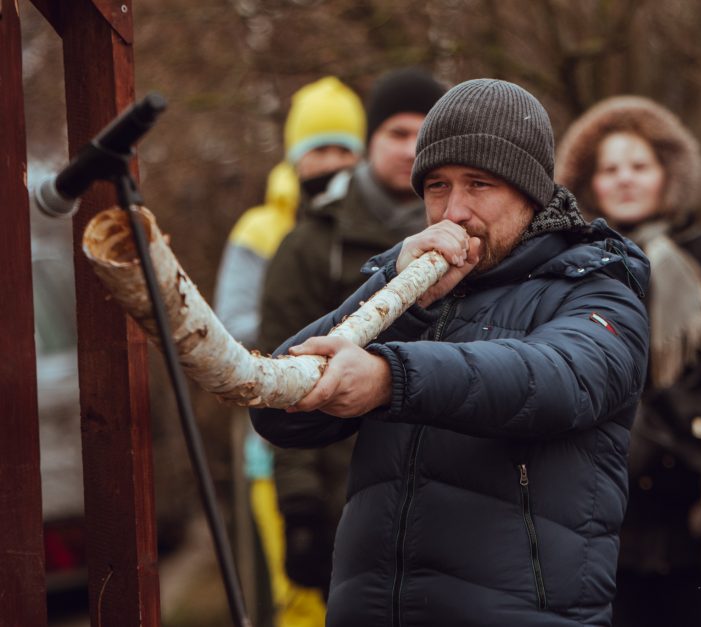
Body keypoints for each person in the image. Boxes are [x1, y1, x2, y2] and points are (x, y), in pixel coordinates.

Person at [250, 78, 651, 626]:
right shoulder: (417, 290)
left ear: (531, 191)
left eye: (479, 184)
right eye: (436, 186)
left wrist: (389, 379)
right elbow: (276, 407)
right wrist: (394, 289)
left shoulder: (600, 291)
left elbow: (553, 378)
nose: (453, 211)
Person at [257, 68, 446, 606]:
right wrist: (300, 509)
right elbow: (281, 378)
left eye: (423, 134)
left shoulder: (470, 238)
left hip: (446, 505)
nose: (410, 149)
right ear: (369, 142)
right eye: (396, 134)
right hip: (347, 495)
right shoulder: (311, 245)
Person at [556, 96, 701, 627]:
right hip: (593, 504)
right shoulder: (565, 262)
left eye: (640, 166)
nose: (626, 179)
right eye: (611, 169)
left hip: (691, 499)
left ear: (666, 175)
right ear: (590, 181)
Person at [214, 76, 366, 626]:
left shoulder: (368, 223)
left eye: (346, 150)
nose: (333, 162)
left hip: (350, 436)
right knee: (298, 596)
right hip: (275, 446)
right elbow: (230, 329)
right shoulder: (261, 229)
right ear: (294, 157)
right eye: (319, 149)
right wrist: (316, 329)